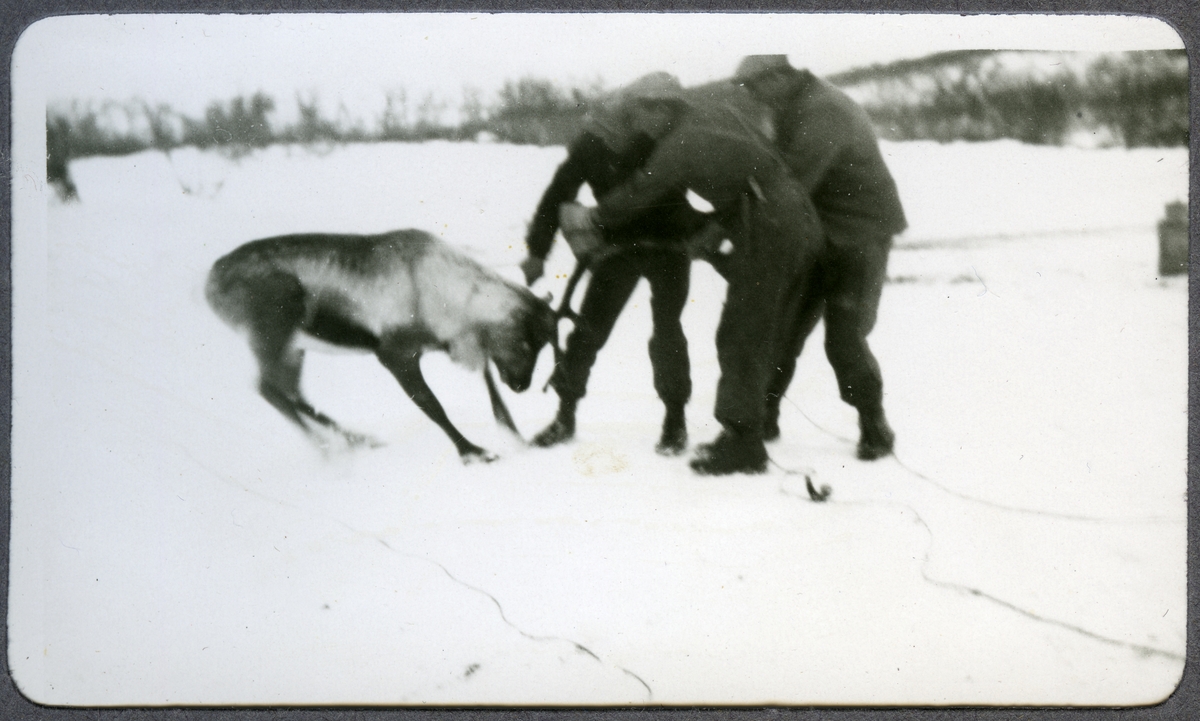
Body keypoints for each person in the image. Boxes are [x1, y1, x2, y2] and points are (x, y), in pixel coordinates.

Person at [570, 81, 825, 475]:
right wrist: (721, 225)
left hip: (768, 221)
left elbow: (646, 187)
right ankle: (749, 427)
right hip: (789, 212)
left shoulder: (681, 143)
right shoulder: (715, 115)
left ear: (662, 108)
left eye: (642, 118)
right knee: (758, 326)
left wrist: (594, 216)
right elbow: (750, 166)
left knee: (742, 330)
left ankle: (743, 443)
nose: (641, 128)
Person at [520, 73, 710, 455]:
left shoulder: (675, 140)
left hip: (670, 244)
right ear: (632, 105)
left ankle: (675, 421)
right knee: (589, 331)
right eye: (652, 106)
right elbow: (558, 194)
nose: (661, 116)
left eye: (669, 108)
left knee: (668, 330)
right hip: (618, 247)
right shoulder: (594, 143)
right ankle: (565, 414)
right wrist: (538, 251)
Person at [733, 55, 907, 461]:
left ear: (778, 76)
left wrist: (730, 228)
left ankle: (874, 423)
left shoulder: (824, 110)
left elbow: (789, 184)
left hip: (861, 234)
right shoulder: (789, 104)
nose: (753, 96)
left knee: (845, 337)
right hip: (819, 232)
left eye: (755, 86)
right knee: (784, 326)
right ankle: (765, 413)